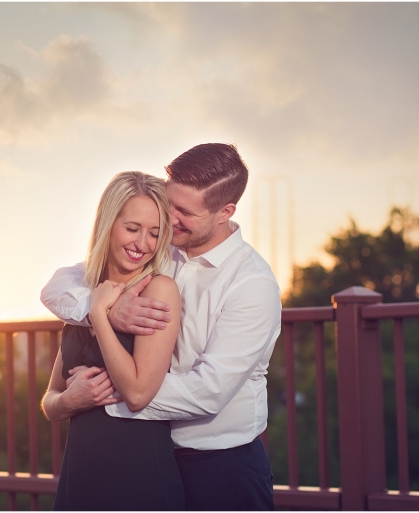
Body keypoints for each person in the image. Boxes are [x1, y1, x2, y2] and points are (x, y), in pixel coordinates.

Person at [41, 143, 281, 510]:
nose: (170, 218)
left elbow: (208, 391)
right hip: (153, 451)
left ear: (225, 212)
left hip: (219, 465)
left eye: (184, 212)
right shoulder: (159, 244)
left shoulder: (252, 285)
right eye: (170, 203)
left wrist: (111, 391)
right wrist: (98, 312)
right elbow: (62, 284)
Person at [40, 171, 185, 510]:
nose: (142, 244)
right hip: (81, 473)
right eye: (132, 229)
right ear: (108, 224)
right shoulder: (83, 294)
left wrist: (100, 315)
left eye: (155, 233)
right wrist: (69, 402)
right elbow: (50, 399)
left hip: (137, 475)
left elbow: (137, 394)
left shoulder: (159, 290)